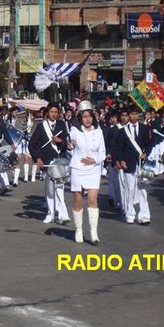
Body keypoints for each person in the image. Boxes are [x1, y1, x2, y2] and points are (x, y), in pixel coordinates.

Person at [68, 101, 105, 244]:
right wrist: (70, 143)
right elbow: (70, 140)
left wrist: (94, 160)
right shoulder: (75, 130)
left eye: (90, 116)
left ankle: (93, 232)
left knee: (92, 199)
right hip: (78, 168)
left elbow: (102, 153)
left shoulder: (99, 132)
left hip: (94, 169)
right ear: (80, 118)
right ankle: (78, 229)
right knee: (78, 201)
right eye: (84, 117)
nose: (88, 119)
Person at [29, 102, 69, 224]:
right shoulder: (41, 127)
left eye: (56, 112)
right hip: (46, 161)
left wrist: (60, 140)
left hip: (59, 161)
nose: (54, 114)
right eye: (52, 112)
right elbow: (32, 145)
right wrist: (38, 159)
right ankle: (51, 214)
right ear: (47, 113)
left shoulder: (62, 125)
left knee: (60, 188)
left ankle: (63, 215)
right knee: (50, 190)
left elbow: (67, 143)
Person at [116, 105, 153, 224]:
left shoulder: (145, 128)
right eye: (131, 114)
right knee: (129, 189)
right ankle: (130, 213)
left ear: (139, 115)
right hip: (128, 163)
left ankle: (144, 215)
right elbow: (119, 148)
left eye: (136, 114)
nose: (134, 116)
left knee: (142, 189)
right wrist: (121, 160)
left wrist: (146, 153)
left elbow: (149, 144)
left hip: (141, 163)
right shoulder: (122, 131)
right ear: (128, 116)